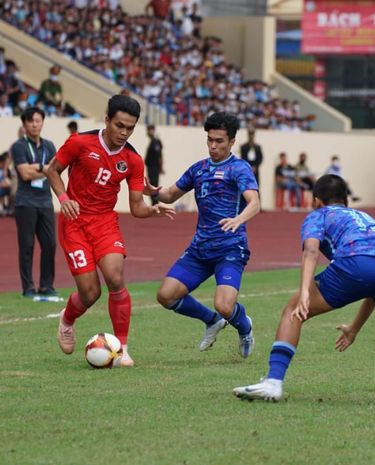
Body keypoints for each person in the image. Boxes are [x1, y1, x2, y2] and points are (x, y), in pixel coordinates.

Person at [233, 174, 375, 404]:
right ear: (346, 201)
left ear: (316, 201)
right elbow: (374, 285)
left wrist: (304, 291)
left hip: (355, 263)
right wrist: (353, 329)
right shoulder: (365, 216)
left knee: (293, 310)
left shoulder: (318, 215)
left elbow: (311, 251)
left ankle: (273, 382)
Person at [47, 94, 175, 367]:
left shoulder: (133, 160)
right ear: (107, 120)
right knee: (90, 293)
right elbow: (53, 170)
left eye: (130, 128)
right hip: (75, 223)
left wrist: (153, 210)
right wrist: (64, 199)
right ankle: (67, 319)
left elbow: (137, 207)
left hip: (105, 222)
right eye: (119, 125)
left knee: (115, 278)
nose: (124, 132)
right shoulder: (80, 143)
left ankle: (122, 350)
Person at [149, 112, 260, 358]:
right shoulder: (198, 169)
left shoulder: (239, 168)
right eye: (210, 140)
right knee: (165, 296)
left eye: (219, 141)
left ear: (231, 141)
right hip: (200, 249)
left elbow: (254, 202)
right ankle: (211, 321)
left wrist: (239, 219)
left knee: (225, 305)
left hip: (230, 249)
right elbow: (169, 195)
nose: (213, 146)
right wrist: (151, 190)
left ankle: (245, 327)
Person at [10, 107, 57, 298]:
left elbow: (55, 171)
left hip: (45, 201)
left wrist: (38, 168)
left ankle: (46, 285)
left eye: (38, 120)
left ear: (42, 122)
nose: (34, 124)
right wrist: (44, 168)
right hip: (26, 202)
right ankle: (28, 287)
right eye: (30, 121)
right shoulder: (19, 146)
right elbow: (24, 173)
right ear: (24, 124)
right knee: (27, 245)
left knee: (50, 244)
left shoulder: (50, 146)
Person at [144, 124, 163, 204]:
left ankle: (155, 204)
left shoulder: (155, 142)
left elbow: (159, 155)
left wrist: (161, 167)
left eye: (150, 130)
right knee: (152, 185)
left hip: (154, 168)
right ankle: (154, 203)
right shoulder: (152, 142)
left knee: (153, 186)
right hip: (151, 167)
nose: (149, 132)